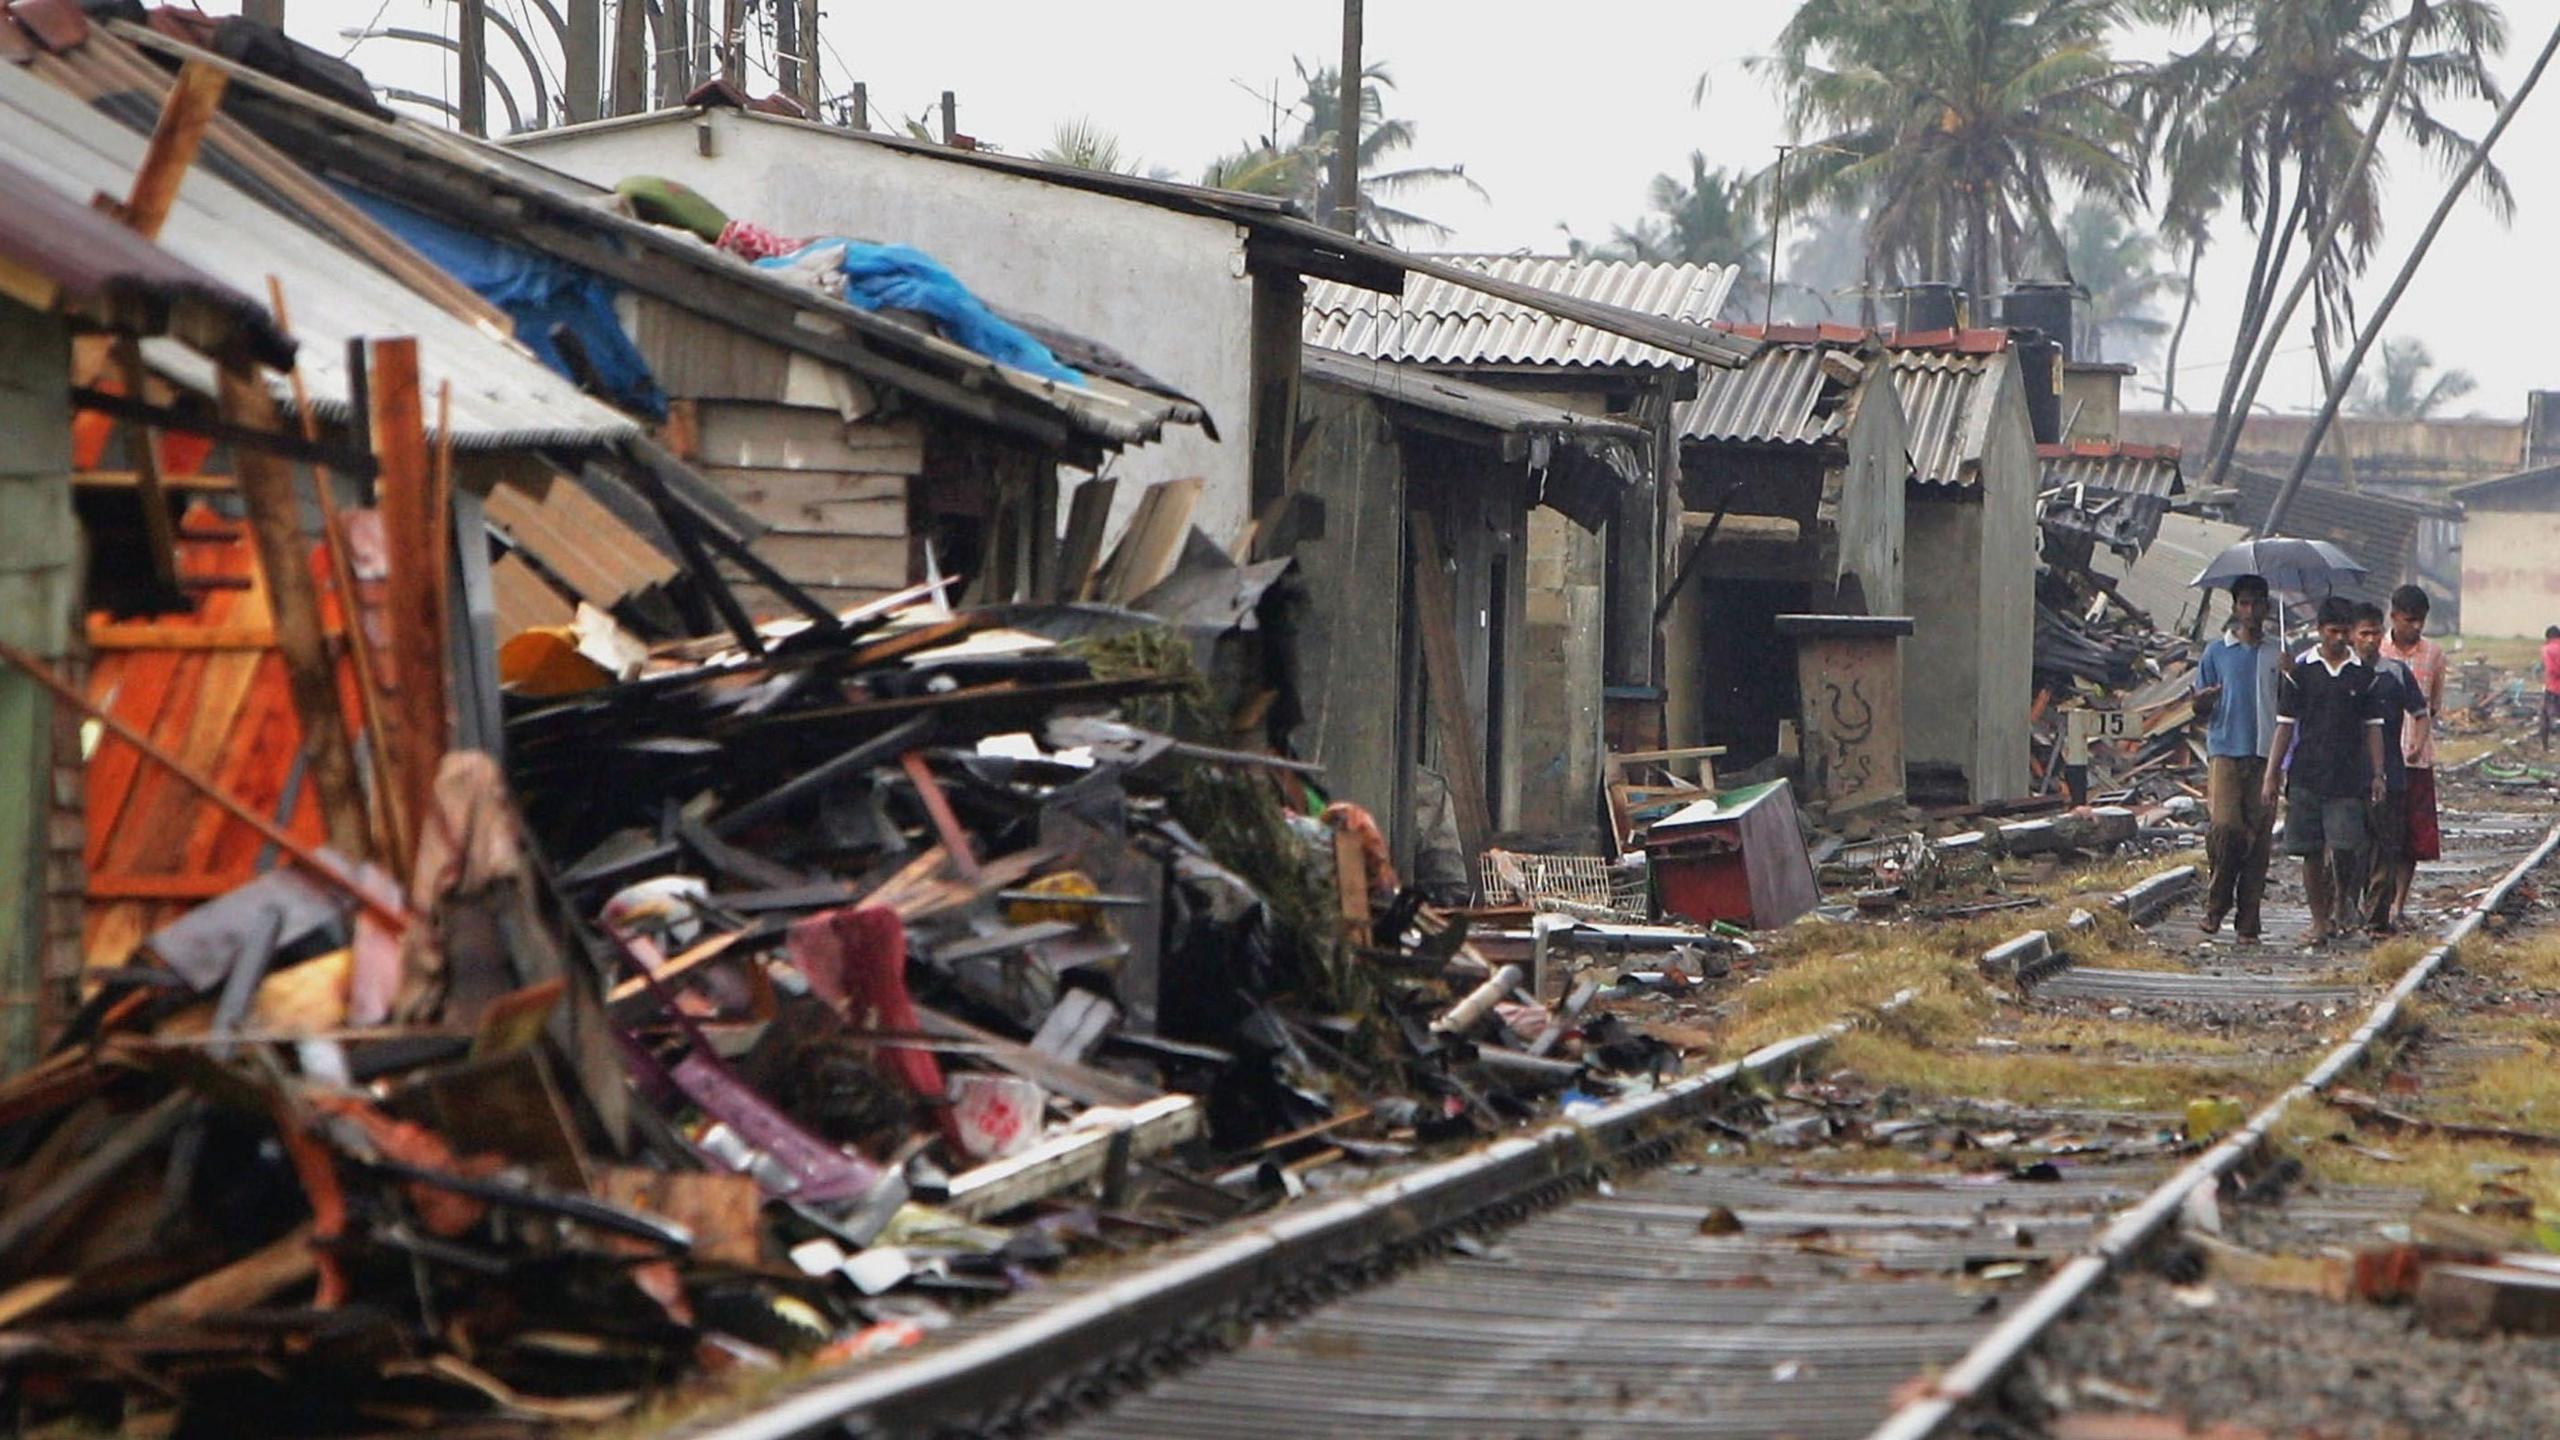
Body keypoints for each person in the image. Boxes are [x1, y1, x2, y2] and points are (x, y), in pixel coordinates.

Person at [2262, 596, 2388, 946]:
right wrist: (2272, 774)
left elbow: (2373, 727)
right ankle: (2320, 920)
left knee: (2346, 845)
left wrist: (2378, 774)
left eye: (2345, 631)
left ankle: (2342, 900)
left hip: (2348, 777)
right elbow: (2285, 726)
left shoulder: (2364, 677)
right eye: (2333, 631)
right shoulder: (2300, 673)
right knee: (2310, 849)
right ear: (2319, 631)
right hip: (2306, 774)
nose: (2339, 637)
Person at [2192, 574, 2283, 938]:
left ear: (2266, 608)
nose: (2250, 611)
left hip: (2265, 753)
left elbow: (2292, 704)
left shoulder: (2277, 654)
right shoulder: (2217, 651)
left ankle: (2249, 920)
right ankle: (2217, 905)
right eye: (2243, 603)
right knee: (2226, 829)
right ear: (2234, 608)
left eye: (2256, 604)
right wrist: (2203, 701)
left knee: (2258, 839)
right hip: (2226, 750)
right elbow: (2198, 704)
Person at [2353, 601, 2427, 933]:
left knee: (2386, 847)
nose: (2370, 639)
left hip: (2391, 774)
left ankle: (2377, 918)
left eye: (2375, 633)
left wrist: (2417, 745)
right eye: (2363, 633)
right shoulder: (2342, 673)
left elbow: (2420, 712)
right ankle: (2346, 908)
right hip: (2347, 776)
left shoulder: (2395, 673)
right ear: (2352, 636)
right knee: (2349, 846)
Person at [2377, 585, 2445, 928]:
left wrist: (2418, 738)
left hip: (2416, 759)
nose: (2415, 627)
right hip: (2379, 758)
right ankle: (2375, 900)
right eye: (2408, 620)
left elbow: (2433, 705)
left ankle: (2397, 905)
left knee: (2410, 839)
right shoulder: (2377, 648)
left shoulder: (2434, 655)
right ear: (2394, 616)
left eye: (2420, 621)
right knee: (2377, 834)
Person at [2543, 625, 2560, 753]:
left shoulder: (2547, 649)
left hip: (2554, 688)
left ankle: (2546, 747)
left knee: (2547, 717)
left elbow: (2552, 669)